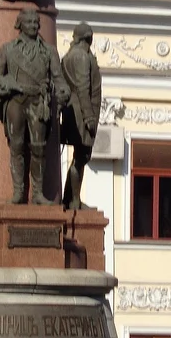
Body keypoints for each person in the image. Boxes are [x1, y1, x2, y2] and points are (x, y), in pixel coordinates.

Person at [0, 8, 70, 204]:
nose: (33, 26)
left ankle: (38, 194)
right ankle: (18, 192)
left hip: (38, 102)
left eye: (36, 22)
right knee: (16, 146)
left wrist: (63, 91)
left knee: (39, 148)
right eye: (29, 22)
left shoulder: (49, 51)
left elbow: (58, 78)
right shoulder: (7, 49)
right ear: (20, 24)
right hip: (16, 101)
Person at [60, 23, 102, 210]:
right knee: (81, 156)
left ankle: (70, 198)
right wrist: (89, 117)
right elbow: (84, 88)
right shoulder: (82, 57)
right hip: (81, 112)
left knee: (79, 156)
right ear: (88, 38)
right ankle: (73, 200)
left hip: (72, 109)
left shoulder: (68, 56)